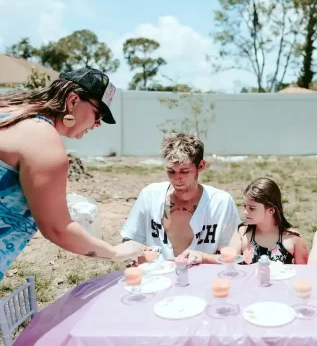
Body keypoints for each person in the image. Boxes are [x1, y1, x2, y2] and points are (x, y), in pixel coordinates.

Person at [0, 68, 147, 281]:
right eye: (99, 114)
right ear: (73, 100)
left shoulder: (9, 110)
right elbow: (57, 229)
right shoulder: (43, 140)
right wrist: (115, 253)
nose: (98, 124)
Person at [120, 132, 241, 265]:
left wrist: (203, 258)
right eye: (171, 171)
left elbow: (232, 255)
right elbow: (130, 239)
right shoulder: (150, 196)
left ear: (200, 166)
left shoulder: (220, 202)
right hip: (159, 279)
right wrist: (138, 255)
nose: (177, 178)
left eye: (184, 171)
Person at [228, 177, 308, 264]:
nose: (245, 212)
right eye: (245, 206)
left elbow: (304, 274)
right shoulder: (242, 233)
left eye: (252, 208)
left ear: (271, 210)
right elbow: (229, 266)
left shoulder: (292, 239)